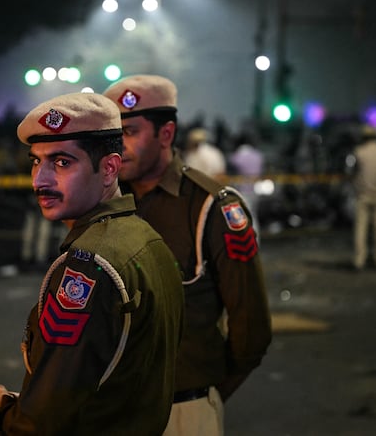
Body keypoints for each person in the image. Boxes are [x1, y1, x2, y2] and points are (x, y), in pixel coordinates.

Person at [0, 92, 184, 435]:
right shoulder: (146, 238)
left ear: (109, 168)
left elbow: (46, 416)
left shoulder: (89, 266)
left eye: (61, 163)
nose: (39, 180)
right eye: (35, 161)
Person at [103, 74, 272, 436]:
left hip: (181, 411)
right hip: (110, 410)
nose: (119, 146)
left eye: (130, 132)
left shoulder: (210, 207)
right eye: (114, 135)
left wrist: (202, 397)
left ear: (166, 134)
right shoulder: (106, 203)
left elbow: (251, 330)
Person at [351, 125, 376, 270]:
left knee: (361, 229)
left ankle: (359, 259)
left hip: (363, 194)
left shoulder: (359, 152)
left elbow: (354, 172)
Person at [228, 131, 265, 236]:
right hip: (256, 189)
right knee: (253, 215)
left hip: (242, 190)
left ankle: (248, 239)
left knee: (243, 217)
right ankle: (256, 240)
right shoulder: (258, 155)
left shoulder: (236, 157)